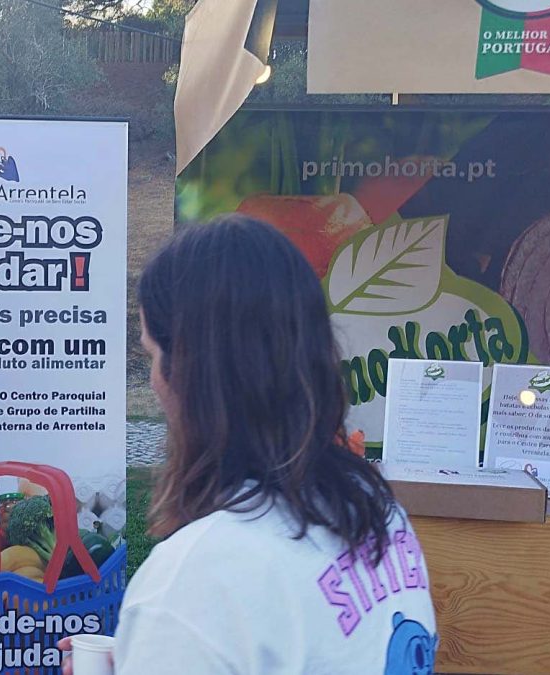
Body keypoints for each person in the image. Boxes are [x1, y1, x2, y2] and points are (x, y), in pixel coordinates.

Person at [62, 215, 436, 674]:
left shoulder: (196, 582)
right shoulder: (379, 512)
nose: (154, 382)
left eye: (152, 356)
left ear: (191, 372)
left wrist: (169, 638)